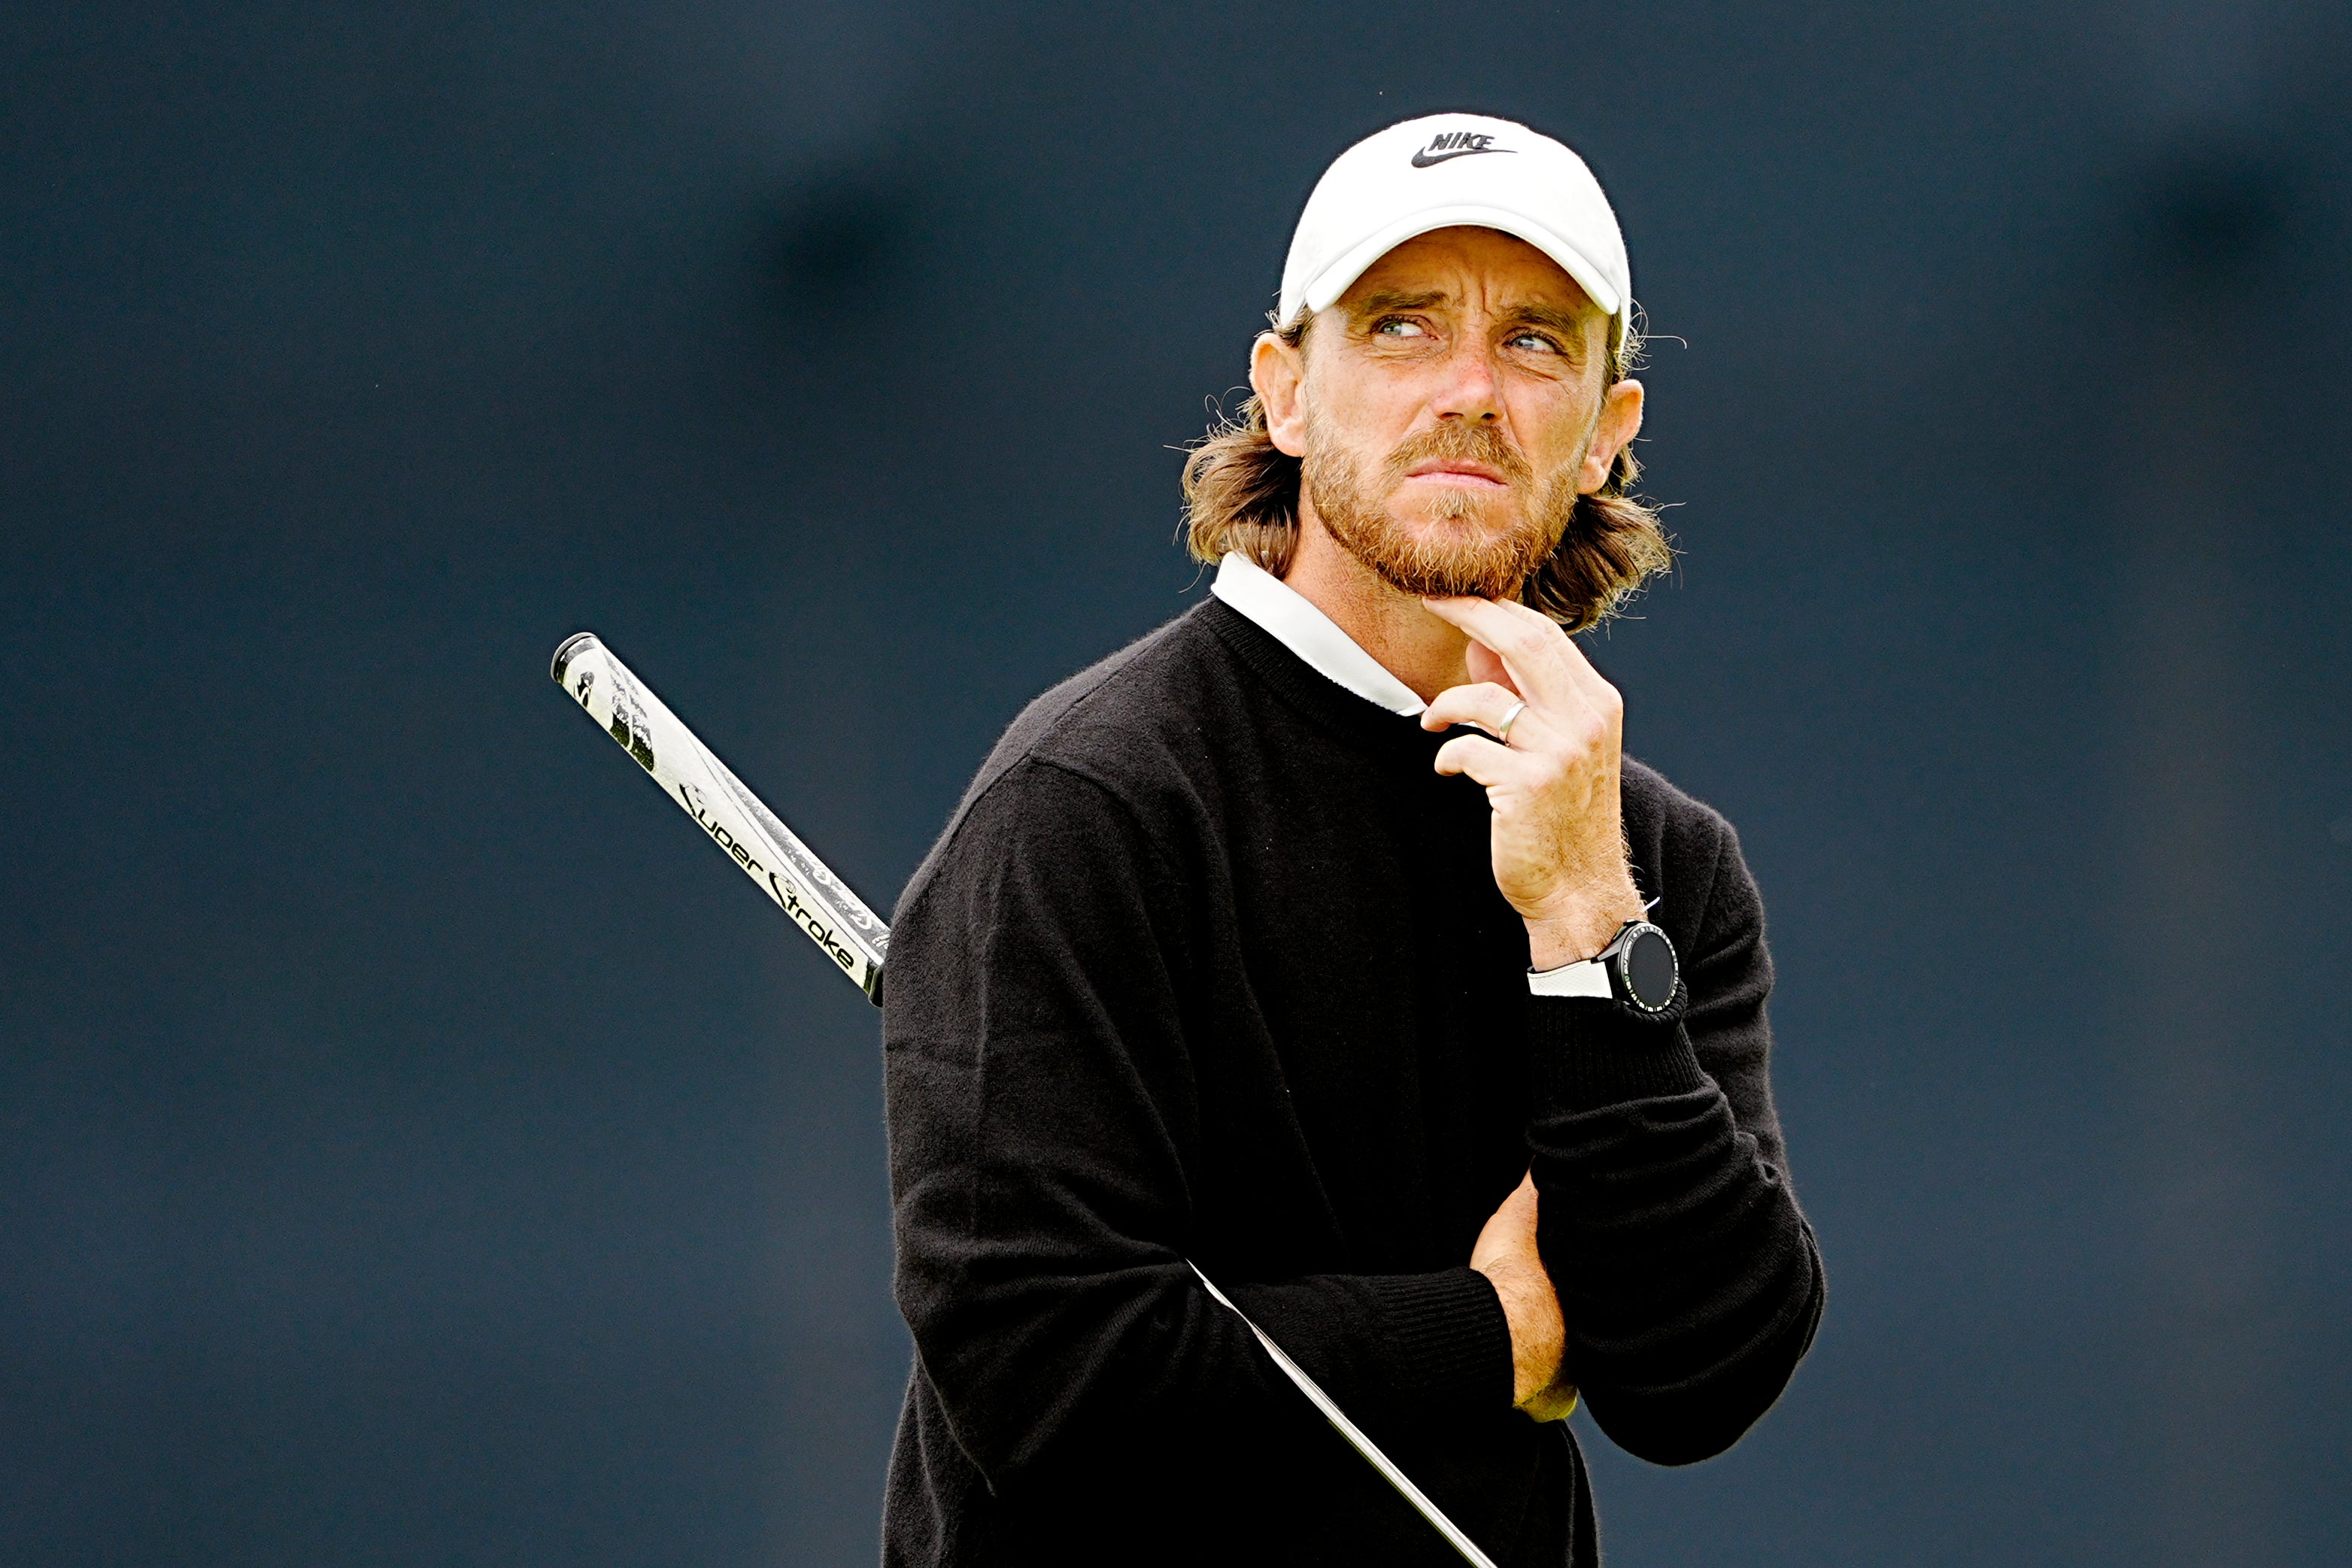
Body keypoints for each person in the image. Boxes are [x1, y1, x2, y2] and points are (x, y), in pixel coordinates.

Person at [879, 112, 1825, 1567]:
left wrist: (1583, 924)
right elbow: (1047, 1376)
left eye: (1533, 343)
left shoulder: (1647, 859)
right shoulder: (1087, 804)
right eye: (1401, 327)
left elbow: (1705, 1370)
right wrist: (1480, 1334)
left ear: (1607, 433)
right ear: (1287, 396)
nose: (1468, 392)